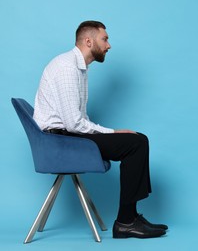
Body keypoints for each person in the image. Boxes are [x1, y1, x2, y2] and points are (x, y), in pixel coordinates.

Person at [33, 20, 168, 239]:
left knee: (138, 138)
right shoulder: (67, 67)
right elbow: (74, 124)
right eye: (104, 39)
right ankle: (126, 221)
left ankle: (130, 217)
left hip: (65, 136)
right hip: (59, 142)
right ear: (88, 41)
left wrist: (113, 133)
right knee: (136, 143)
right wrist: (113, 133)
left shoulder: (79, 68)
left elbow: (78, 120)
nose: (109, 45)